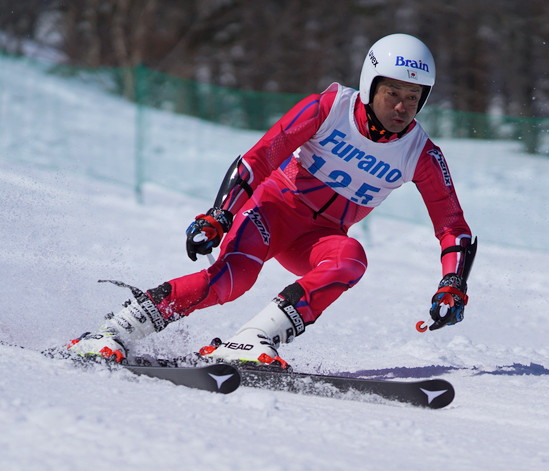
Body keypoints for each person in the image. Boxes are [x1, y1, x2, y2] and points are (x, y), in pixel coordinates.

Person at [67, 33, 477, 369]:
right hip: (271, 211)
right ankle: (114, 331)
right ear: (371, 86)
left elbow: (453, 228)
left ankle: (253, 339)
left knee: (351, 259)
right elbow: (259, 157)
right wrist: (218, 215)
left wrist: (452, 284)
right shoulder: (329, 108)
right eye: (393, 93)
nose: (403, 107)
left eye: (414, 96)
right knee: (232, 281)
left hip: (318, 237)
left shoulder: (422, 154)